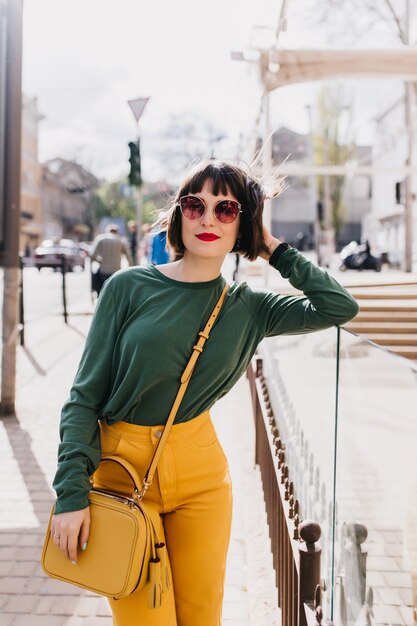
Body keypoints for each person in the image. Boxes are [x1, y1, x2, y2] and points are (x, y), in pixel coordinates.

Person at [50, 160, 359, 626]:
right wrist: (71, 493)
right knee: (143, 618)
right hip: (120, 470)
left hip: (201, 475)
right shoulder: (128, 287)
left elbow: (339, 306)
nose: (209, 219)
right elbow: (83, 397)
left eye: (227, 208)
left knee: (201, 616)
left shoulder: (251, 308)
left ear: (244, 223)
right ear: (179, 215)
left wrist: (270, 246)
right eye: (195, 205)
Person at [91, 224, 133, 295]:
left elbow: (92, 255)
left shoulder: (101, 239)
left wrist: (100, 262)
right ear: (117, 232)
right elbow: (128, 256)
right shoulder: (120, 241)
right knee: (115, 293)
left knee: (102, 292)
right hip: (116, 271)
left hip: (103, 271)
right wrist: (130, 270)